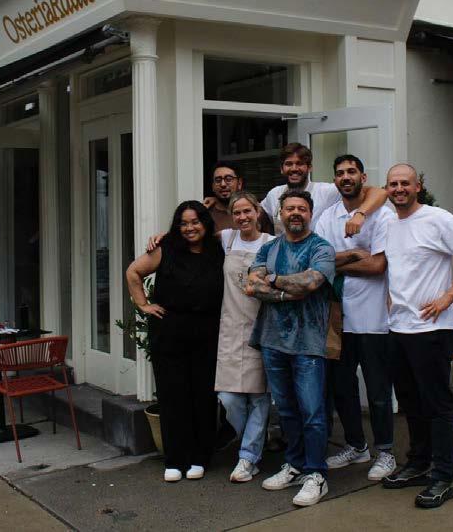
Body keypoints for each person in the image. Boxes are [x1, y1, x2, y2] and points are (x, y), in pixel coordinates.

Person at [380, 163, 453, 509]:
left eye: (405, 183)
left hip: (432, 330)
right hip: (398, 328)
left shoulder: (437, 218)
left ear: (418, 187)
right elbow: (398, 268)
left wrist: (448, 296)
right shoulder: (389, 223)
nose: (399, 189)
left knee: (437, 404)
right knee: (411, 402)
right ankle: (418, 463)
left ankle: (442, 477)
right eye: (393, 184)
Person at [246, 190, 335, 507]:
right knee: (286, 411)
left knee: (312, 412)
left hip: (308, 343)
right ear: (280, 214)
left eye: (302, 208)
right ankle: (295, 465)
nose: (295, 213)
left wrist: (271, 280)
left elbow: (311, 283)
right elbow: (251, 285)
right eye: (289, 208)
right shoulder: (268, 248)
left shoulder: (321, 248)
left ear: (311, 213)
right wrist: (286, 291)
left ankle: (316, 474)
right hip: (272, 341)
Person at [125, 201, 224, 483]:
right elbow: (133, 272)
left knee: (203, 396)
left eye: (195, 222)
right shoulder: (165, 248)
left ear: (205, 223)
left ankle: (200, 457)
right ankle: (175, 459)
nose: (190, 228)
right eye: (183, 223)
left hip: (207, 332)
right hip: (169, 333)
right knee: (172, 396)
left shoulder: (218, 249)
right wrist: (143, 305)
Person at [315, 155, 397, 481]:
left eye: (351, 172)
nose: (345, 177)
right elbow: (319, 261)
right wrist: (354, 256)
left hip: (374, 319)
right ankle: (356, 446)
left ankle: (386, 452)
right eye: (340, 173)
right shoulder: (328, 217)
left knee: (377, 391)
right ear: (335, 180)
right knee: (342, 388)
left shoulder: (382, 215)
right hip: (338, 318)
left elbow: (378, 265)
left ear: (363, 177)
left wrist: (338, 262)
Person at [215, 191, 275, 483]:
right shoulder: (226, 239)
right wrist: (162, 237)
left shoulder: (271, 243)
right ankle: (252, 441)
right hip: (230, 328)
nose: (242, 217)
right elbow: (189, 235)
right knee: (228, 398)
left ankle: (248, 458)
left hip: (261, 328)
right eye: (236, 213)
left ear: (257, 211)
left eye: (247, 211)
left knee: (259, 398)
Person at [260, 143, 387, 236]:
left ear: (310, 167)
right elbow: (259, 216)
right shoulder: (274, 194)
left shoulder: (326, 191)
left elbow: (380, 192)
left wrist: (360, 214)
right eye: (289, 164)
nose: (294, 168)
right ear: (282, 169)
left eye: (300, 163)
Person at [208, 161, 274, 234]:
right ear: (213, 186)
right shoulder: (207, 213)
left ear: (239, 183)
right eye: (218, 180)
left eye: (228, 179)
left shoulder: (256, 211)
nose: (223, 184)